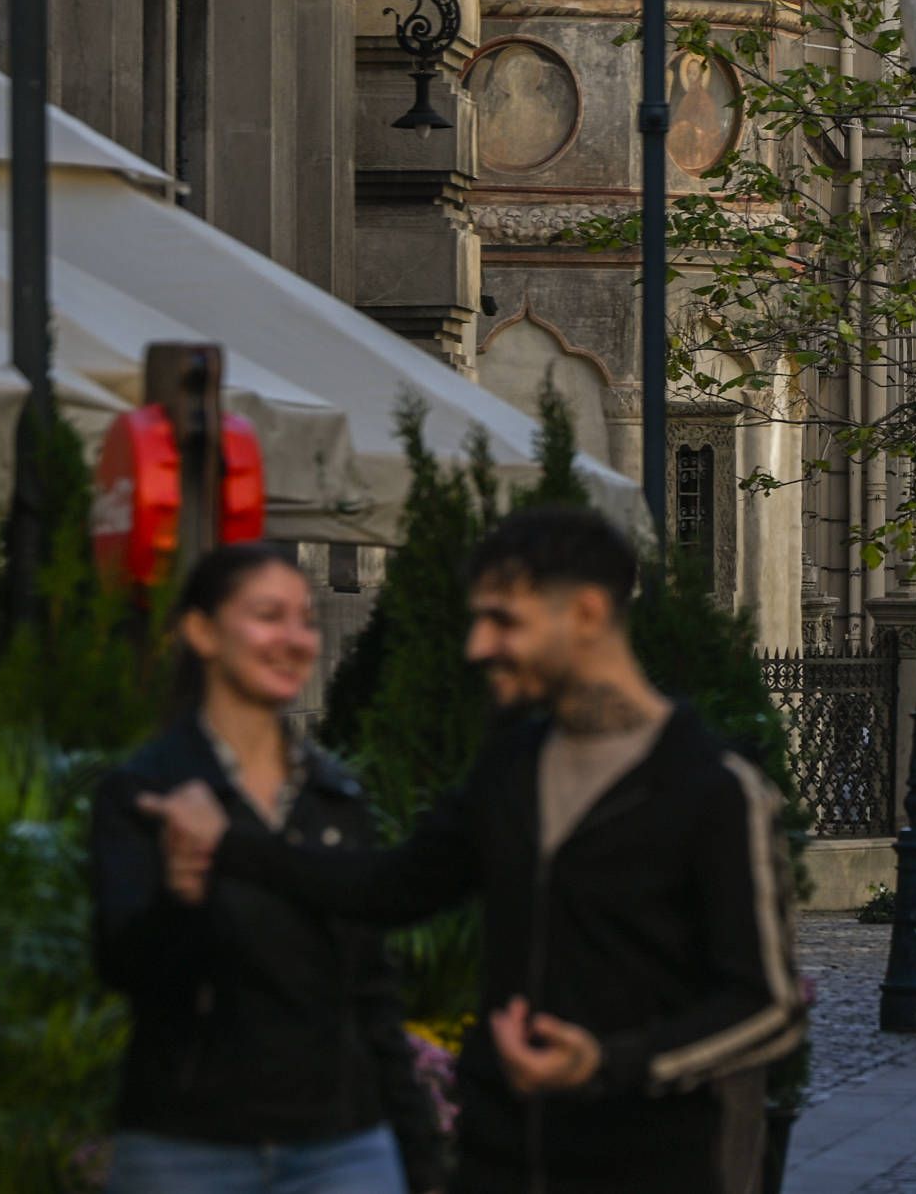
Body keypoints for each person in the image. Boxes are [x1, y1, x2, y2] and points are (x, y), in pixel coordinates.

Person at [135, 508, 801, 1194]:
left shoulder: (715, 788)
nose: (479, 644)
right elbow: (390, 886)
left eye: (503, 620)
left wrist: (610, 1061)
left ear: (588, 612)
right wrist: (228, 844)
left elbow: (767, 1006)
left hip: (648, 1166)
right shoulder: (511, 766)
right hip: (498, 1161)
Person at [94, 543, 444, 1194]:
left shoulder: (335, 796)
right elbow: (125, 964)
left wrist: (418, 1154)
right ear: (201, 630)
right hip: (189, 1146)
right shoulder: (146, 790)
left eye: (306, 619)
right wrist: (184, 888)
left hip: (342, 1146)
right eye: (268, 615)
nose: (294, 638)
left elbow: (371, 989)